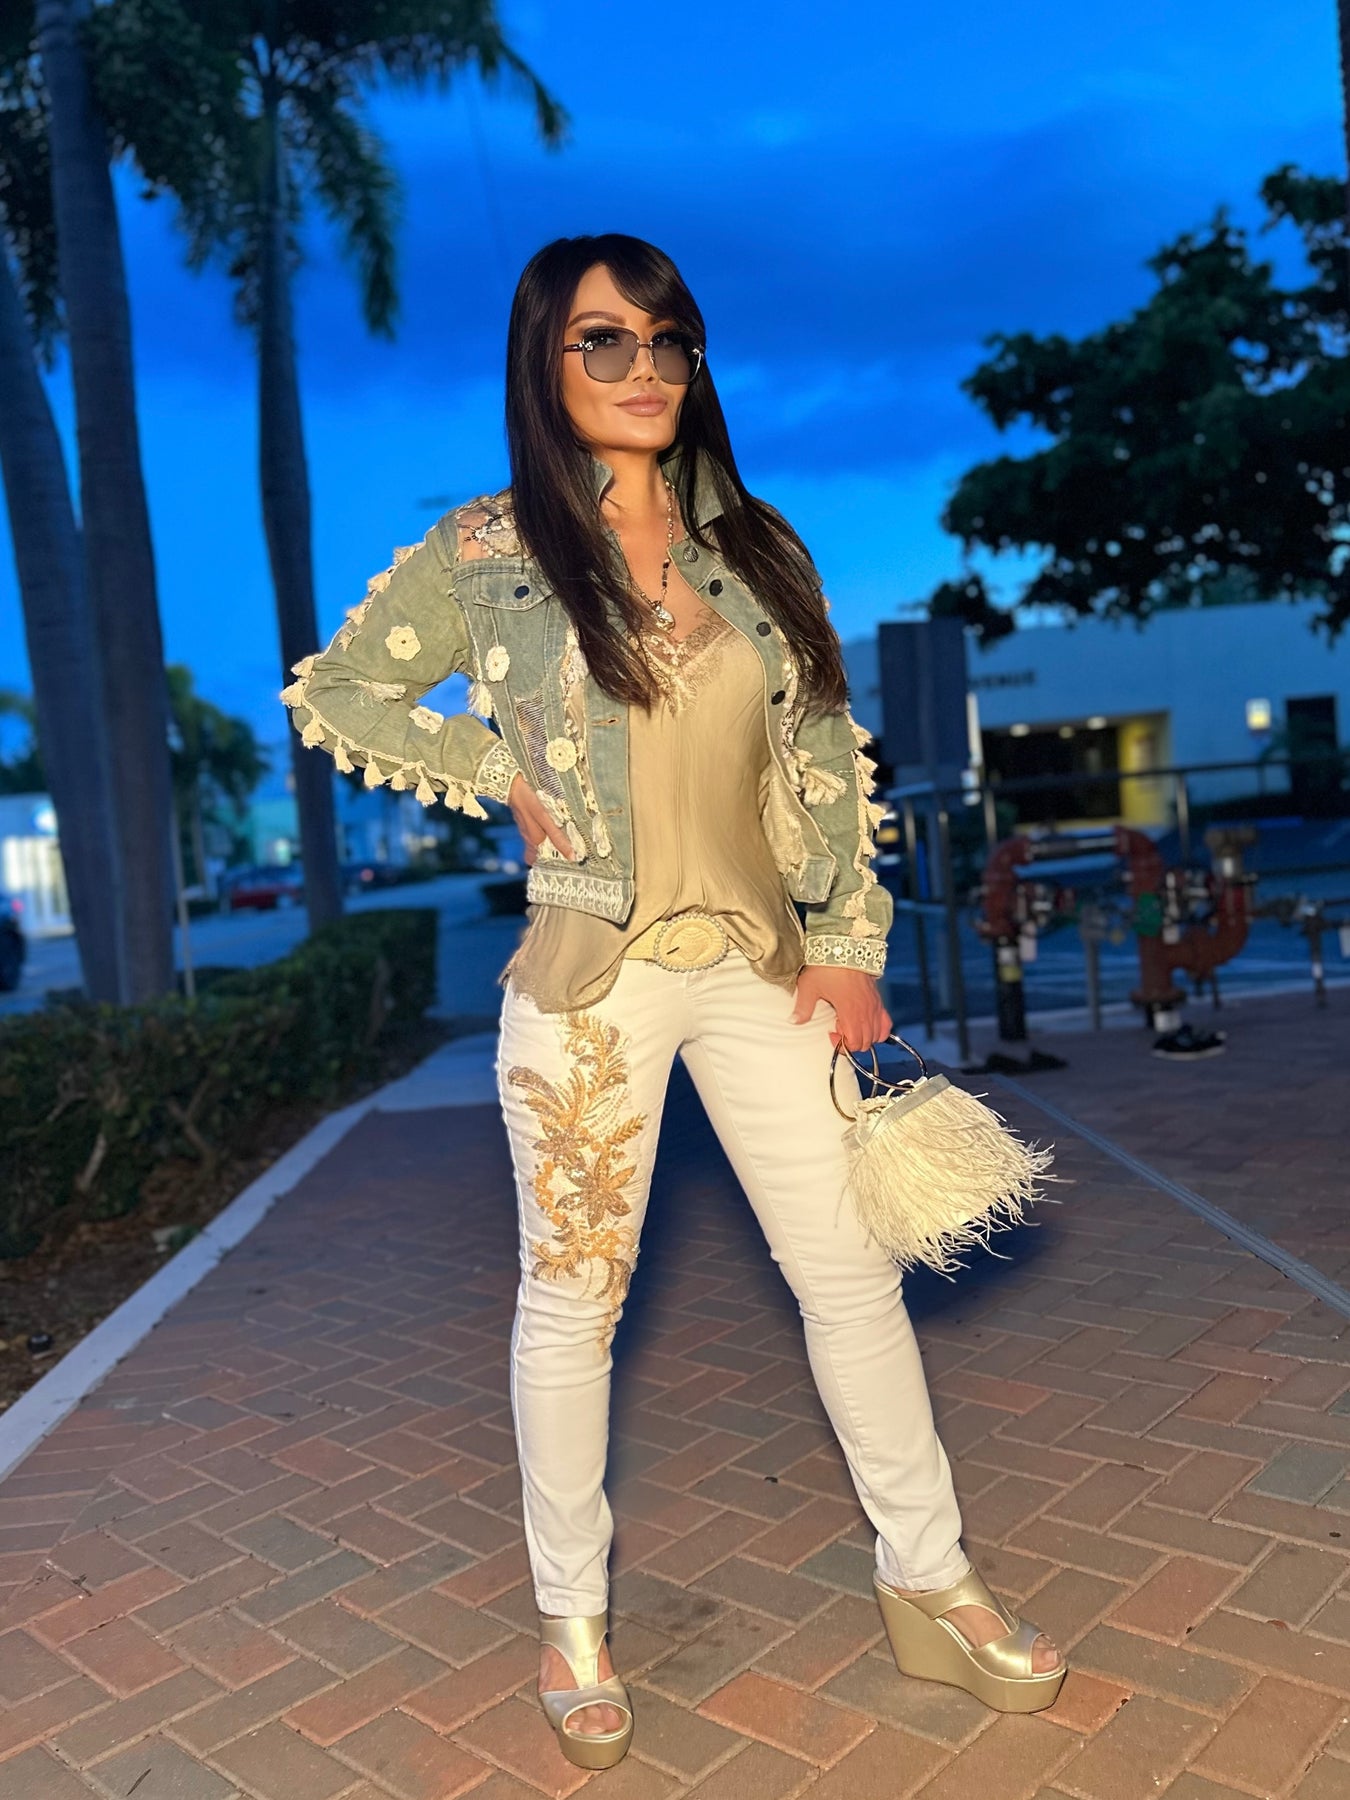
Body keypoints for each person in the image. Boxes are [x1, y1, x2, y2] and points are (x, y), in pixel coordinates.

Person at [283, 232, 1066, 1771]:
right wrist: (492, 769)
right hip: (590, 982)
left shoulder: (756, 547)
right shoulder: (487, 552)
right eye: (602, 340)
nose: (640, 369)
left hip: (764, 968)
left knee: (848, 1278)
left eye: (665, 341)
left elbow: (821, 755)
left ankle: (932, 1581)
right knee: (573, 1302)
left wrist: (847, 943)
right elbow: (336, 693)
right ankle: (573, 1622)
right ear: (545, 359)